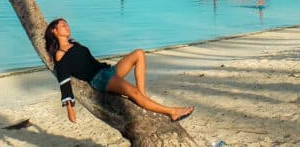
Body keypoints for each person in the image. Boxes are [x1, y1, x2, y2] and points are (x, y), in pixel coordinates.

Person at [44, 18, 194, 123]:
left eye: (67, 24)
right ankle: (172, 112)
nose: (67, 26)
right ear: (54, 31)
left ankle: (143, 96)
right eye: (63, 25)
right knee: (132, 92)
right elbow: (63, 80)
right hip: (99, 79)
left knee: (139, 54)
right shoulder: (60, 54)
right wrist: (70, 109)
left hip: (106, 70)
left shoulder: (74, 43)